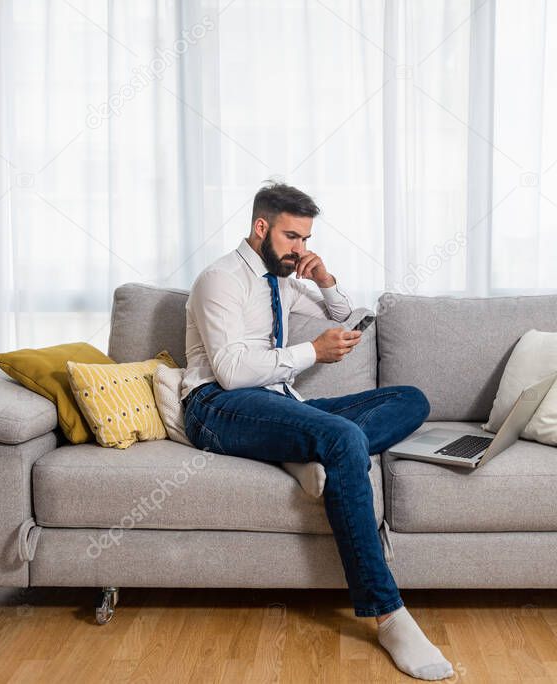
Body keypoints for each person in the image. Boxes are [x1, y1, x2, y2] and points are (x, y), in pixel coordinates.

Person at [181, 181, 455, 680]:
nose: (299, 249)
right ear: (261, 227)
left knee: (410, 399)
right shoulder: (219, 280)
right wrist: (312, 352)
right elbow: (231, 372)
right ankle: (389, 613)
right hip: (215, 407)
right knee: (345, 439)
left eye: (305, 239)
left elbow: (340, 314)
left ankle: (303, 452)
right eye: (291, 237)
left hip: (280, 403)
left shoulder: (284, 278)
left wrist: (323, 278)